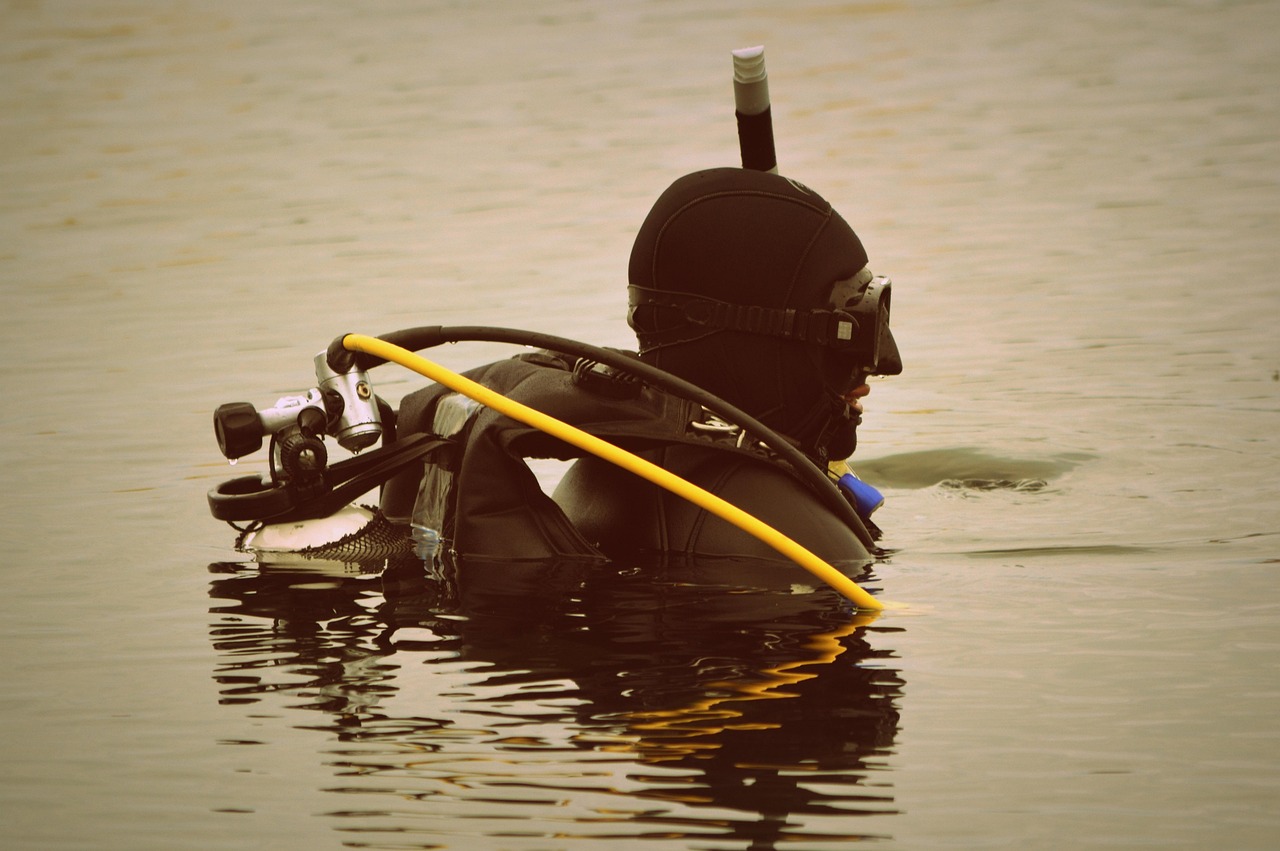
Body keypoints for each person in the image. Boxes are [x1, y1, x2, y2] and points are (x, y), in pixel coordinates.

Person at [376, 166, 901, 568]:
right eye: (847, 336)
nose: (880, 367)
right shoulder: (787, 536)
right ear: (767, 343)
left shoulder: (615, 468)